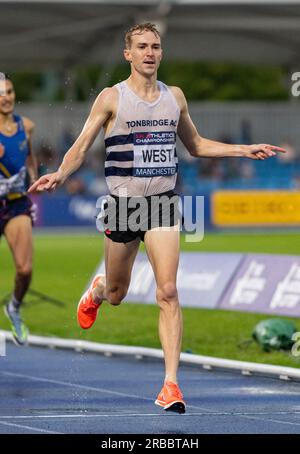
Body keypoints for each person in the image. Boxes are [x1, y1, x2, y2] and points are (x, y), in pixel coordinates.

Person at [29, 23, 286, 413]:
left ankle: (171, 385)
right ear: (127, 54)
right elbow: (81, 147)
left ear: (161, 53)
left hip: (163, 203)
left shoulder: (175, 97)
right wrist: (61, 174)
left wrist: (243, 149)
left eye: (156, 46)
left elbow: (196, 145)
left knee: (167, 291)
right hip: (123, 204)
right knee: (117, 294)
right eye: (142, 47)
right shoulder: (111, 98)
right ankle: (98, 290)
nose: (150, 52)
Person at [0, 74, 38, 345]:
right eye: (1, 93)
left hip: (15, 203)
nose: (6, 97)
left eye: (10, 91)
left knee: (25, 270)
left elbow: (29, 157)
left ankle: (13, 307)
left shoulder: (27, 126)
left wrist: (35, 184)